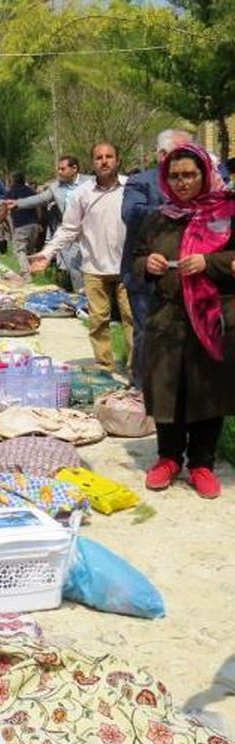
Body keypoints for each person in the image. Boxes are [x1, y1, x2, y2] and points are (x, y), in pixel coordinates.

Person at [131, 143, 235, 500]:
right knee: (166, 389)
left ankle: (202, 463)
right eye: (174, 176)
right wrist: (148, 264)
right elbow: (135, 259)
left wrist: (211, 263)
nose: (182, 182)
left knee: (208, 390)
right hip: (167, 319)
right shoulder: (158, 217)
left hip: (211, 318)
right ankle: (168, 458)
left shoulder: (226, 211)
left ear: (205, 173)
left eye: (189, 174)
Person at [29, 143, 135, 372]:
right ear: (92, 163)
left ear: (117, 160)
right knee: (98, 321)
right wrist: (47, 253)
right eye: (99, 158)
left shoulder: (131, 187)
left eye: (109, 156)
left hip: (127, 268)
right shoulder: (81, 194)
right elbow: (68, 229)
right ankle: (104, 367)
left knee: (131, 319)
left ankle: (136, 370)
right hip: (94, 268)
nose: (104, 161)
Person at [122, 129, 195, 388]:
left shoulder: (200, 182)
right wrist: (174, 211)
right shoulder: (141, 181)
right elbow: (131, 214)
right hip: (146, 274)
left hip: (187, 275)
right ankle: (142, 389)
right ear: (163, 154)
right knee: (147, 333)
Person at [7, 155, 90, 292]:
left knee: (93, 269)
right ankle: (81, 297)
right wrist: (17, 203)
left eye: (62, 169)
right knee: (74, 267)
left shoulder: (90, 182)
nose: (59, 172)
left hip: (92, 232)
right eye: (58, 169)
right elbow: (39, 198)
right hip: (71, 233)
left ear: (74, 168)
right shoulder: (55, 187)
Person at [2, 172, 41, 272]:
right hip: (34, 224)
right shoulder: (31, 191)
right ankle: (34, 271)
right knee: (31, 250)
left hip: (21, 225)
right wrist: (38, 222)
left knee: (20, 250)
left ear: (13, 180)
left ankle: (26, 273)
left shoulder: (11, 193)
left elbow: (4, 209)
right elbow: (38, 208)